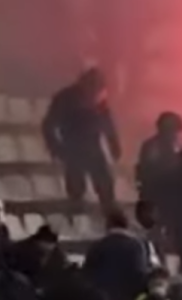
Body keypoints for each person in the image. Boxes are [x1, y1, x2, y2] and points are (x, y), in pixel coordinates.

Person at [40, 69, 121, 209]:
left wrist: (114, 144)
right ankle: (76, 211)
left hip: (93, 147)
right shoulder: (65, 98)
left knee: (105, 185)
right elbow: (49, 125)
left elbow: (107, 123)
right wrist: (56, 148)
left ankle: (108, 211)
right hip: (72, 146)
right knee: (76, 189)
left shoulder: (100, 100)